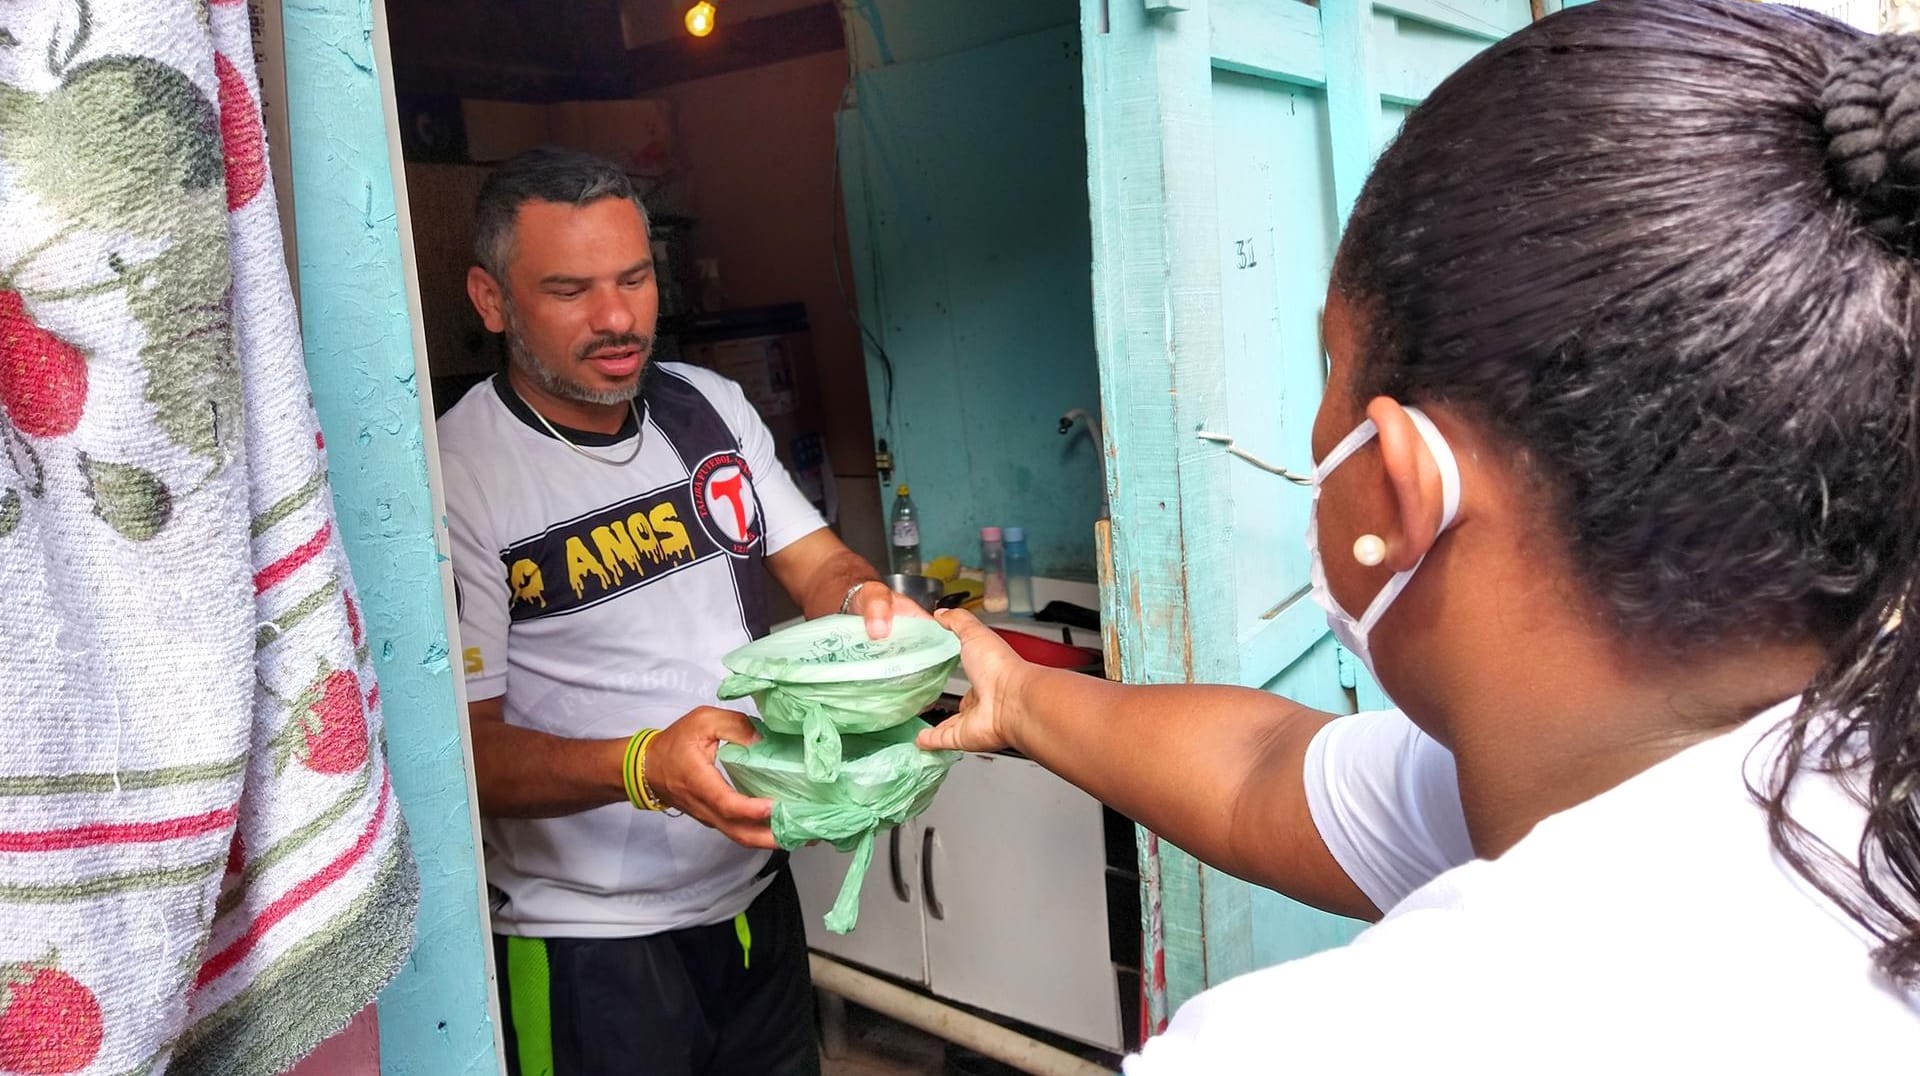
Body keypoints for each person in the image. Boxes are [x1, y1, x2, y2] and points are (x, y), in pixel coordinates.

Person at [915, 1, 1920, 1068]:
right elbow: (1266, 767)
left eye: (1329, 368)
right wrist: (1016, 694)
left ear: (1400, 487)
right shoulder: (1790, 752)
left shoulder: (1321, 1045)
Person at [437, 146, 918, 1076]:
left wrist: (871, 613)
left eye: (635, 278)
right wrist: (643, 766)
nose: (618, 319)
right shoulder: (456, 476)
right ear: (492, 301)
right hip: (586, 946)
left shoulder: (708, 408)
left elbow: (819, 564)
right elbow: (462, 751)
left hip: (753, 897)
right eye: (570, 290)